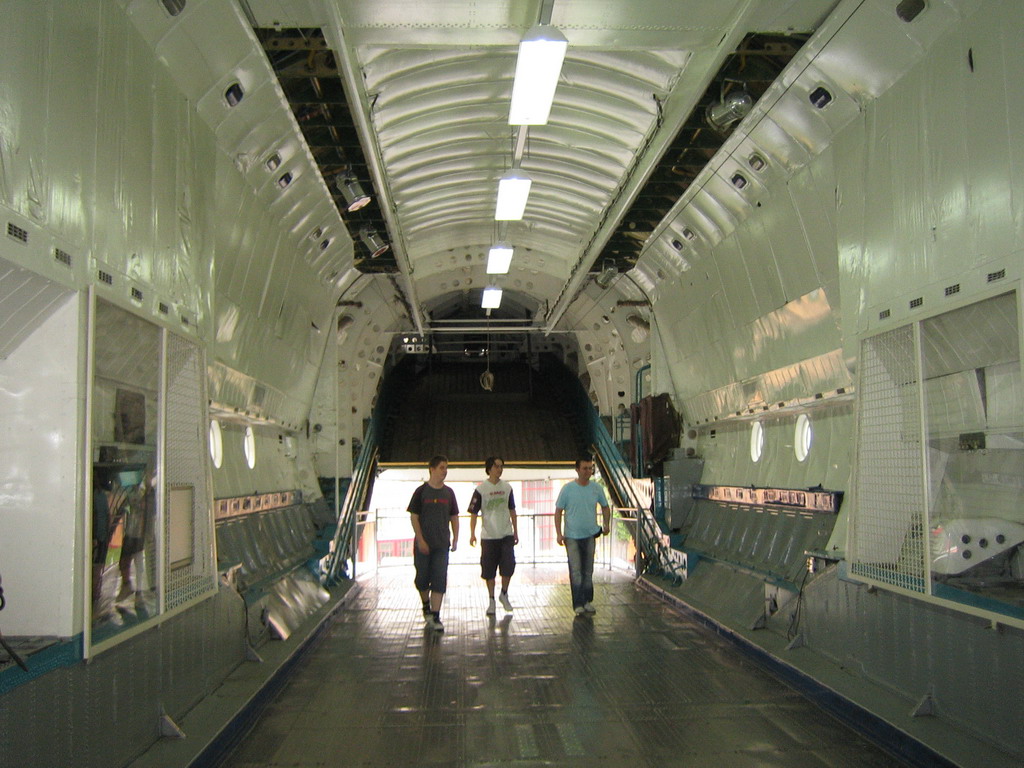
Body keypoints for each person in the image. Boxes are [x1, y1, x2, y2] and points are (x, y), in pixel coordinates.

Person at [554, 455, 611, 616]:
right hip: (572, 536)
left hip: (590, 535)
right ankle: (578, 603)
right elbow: (558, 511)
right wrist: (559, 534)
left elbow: (605, 507)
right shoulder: (567, 489)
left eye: (590, 468)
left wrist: (606, 524)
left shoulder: (596, 488)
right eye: (585, 468)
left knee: (588, 570)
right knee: (576, 570)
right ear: (577, 470)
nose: (588, 471)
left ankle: (587, 600)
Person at [408, 455, 460, 632]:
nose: (444, 471)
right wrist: (420, 539)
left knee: (439, 579)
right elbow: (414, 517)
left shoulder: (449, 493)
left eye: (446, 468)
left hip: (441, 545)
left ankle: (436, 616)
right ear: (432, 469)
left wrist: (455, 538)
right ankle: (426, 604)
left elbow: (454, 517)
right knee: (422, 578)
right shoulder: (421, 492)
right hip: (423, 545)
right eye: (441, 468)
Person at [467, 456, 519, 616]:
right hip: (488, 537)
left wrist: (516, 531)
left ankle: (504, 593)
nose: (499, 469)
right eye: (496, 466)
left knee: (508, 566)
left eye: (501, 466)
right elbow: (474, 513)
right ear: (489, 468)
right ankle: (491, 600)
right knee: (489, 570)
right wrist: (472, 534)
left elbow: (512, 510)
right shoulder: (481, 489)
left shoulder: (507, 488)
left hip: (506, 534)